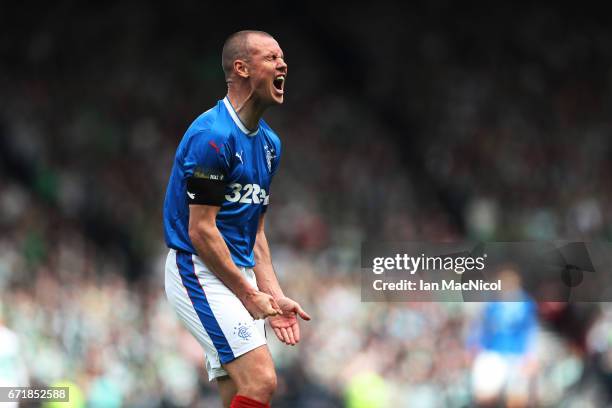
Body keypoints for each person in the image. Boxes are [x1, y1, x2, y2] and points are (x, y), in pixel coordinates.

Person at [163, 30, 311, 408]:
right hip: (197, 270)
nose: (283, 64)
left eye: (283, 57)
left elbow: (255, 232)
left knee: (238, 391)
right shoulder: (212, 137)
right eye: (271, 58)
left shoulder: (269, 145)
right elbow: (200, 230)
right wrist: (247, 294)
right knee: (262, 380)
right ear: (241, 68)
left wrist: (274, 296)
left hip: (234, 273)